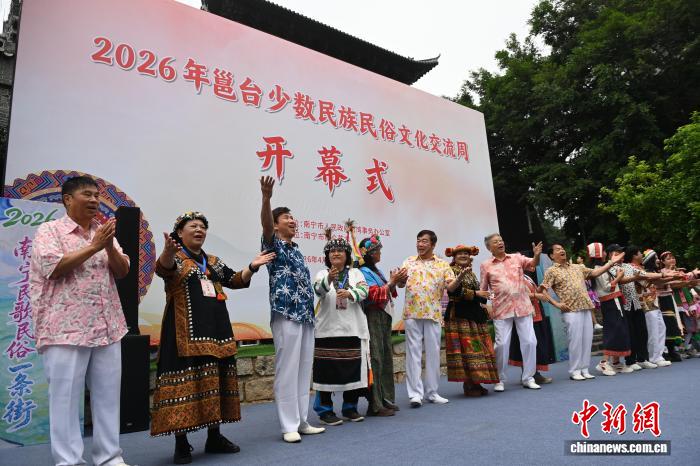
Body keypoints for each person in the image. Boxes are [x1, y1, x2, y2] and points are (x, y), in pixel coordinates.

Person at [150, 212, 275, 464]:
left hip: (217, 334)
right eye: (193, 226)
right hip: (183, 336)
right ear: (179, 233)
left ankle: (214, 437)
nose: (199, 230)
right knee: (182, 390)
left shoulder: (214, 262)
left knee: (215, 383)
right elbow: (163, 268)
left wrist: (252, 266)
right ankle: (181, 443)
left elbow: (235, 280)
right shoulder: (176, 258)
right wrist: (167, 252)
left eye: (203, 227)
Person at [29, 176, 131, 466]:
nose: (94, 200)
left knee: (108, 396)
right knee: (65, 399)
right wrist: (95, 246)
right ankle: (69, 461)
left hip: (108, 326)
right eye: (87, 194)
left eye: (97, 195)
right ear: (67, 199)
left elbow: (122, 270)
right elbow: (53, 267)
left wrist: (108, 246)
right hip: (64, 328)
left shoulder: (103, 232)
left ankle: (109, 457)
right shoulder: (50, 230)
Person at [259, 176, 325, 443]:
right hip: (285, 313)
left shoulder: (297, 250)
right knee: (287, 369)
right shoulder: (272, 244)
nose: (292, 221)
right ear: (276, 224)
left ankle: (301, 420)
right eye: (287, 217)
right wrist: (266, 198)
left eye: (293, 217)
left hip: (306, 316)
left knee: (303, 368)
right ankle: (288, 425)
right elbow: (265, 225)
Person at [311, 231, 369, 425]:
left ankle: (350, 407)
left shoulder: (355, 273)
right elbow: (318, 290)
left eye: (340, 251)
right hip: (327, 330)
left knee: (351, 370)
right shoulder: (322, 273)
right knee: (325, 371)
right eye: (332, 251)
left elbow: (364, 290)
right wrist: (329, 278)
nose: (335, 253)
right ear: (327, 256)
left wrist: (350, 293)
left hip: (352, 328)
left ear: (347, 254)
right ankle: (325, 411)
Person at [400, 230, 464, 407]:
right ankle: (415, 394)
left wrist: (459, 278)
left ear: (433, 245)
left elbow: (450, 288)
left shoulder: (442, 264)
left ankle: (432, 392)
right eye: (418, 240)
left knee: (433, 353)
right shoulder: (408, 261)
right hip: (412, 312)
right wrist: (398, 279)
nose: (420, 244)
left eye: (424, 241)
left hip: (433, 313)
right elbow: (401, 283)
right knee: (413, 354)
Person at [542, 243, 621, 380]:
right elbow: (543, 290)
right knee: (575, 341)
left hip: (585, 307)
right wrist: (557, 304)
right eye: (558, 249)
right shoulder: (551, 271)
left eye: (562, 248)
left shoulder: (577, 267)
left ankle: (584, 369)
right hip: (571, 309)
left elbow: (595, 273)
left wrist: (610, 263)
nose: (562, 250)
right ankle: (575, 370)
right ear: (551, 256)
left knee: (587, 339)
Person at [479, 233, 542, 391]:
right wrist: (490, 302)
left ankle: (528, 378)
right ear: (489, 247)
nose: (500, 243)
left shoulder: (516, 257)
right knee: (501, 344)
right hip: (501, 309)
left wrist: (536, 255)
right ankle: (499, 379)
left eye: (501, 240)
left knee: (530, 341)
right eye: (495, 242)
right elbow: (484, 290)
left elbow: (533, 264)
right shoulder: (486, 265)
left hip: (523, 306)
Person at [356, 233, 406, 416]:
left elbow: (387, 292)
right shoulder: (363, 272)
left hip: (383, 317)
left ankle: (385, 398)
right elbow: (371, 295)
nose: (380, 253)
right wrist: (392, 282)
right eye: (377, 250)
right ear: (369, 253)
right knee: (375, 358)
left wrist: (396, 282)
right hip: (372, 317)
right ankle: (375, 404)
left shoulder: (376, 271)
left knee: (384, 357)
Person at [443, 245, 499, 396]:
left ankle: (476, 382)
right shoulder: (451, 271)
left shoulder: (471, 273)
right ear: (454, 257)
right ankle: (469, 384)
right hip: (459, 316)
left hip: (474, 315)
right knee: (466, 350)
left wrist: (483, 300)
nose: (463, 256)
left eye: (466, 254)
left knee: (477, 348)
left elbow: (477, 294)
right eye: (460, 253)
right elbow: (454, 292)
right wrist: (477, 294)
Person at [614, 245, 676, 371]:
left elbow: (650, 278)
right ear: (634, 256)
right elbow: (646, 279)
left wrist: (669, 276)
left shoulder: (635, 267)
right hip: (642, 304)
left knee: (657, 329)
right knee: (650, 331)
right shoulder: (628, 267)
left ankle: (653, 357)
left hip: (649, 303)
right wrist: (665, 275)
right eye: (639, 253)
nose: (641, 255)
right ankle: (651, 357)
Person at [589, 243, 630, 375]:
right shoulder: (599, 269)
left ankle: (616, 362)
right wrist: (618, 277)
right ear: (599, 254)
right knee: (614, 330)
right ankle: (604, 362)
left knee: (619, 329)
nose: (605, 254)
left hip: (613, 301)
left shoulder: (601, 268)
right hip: (610, 302)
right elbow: (608, 287)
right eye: (603, 252)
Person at [508, 267, 553, 385]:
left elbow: (535, 291)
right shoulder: (512, 278)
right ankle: (529, 374)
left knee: (536, 344)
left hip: (536, 313)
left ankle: (534, 373)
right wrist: (536, 295)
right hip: (524, 315)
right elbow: (516, 295)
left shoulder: (527, 277)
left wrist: (541, 289)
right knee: (527, 344)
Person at [657, 251, 700, 361]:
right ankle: (678, 349)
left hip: (687, 302)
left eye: (673, 257)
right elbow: (673, 285)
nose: (672, 260)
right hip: (674, 302)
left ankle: (688, 348)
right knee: (679, 326)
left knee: (690, 326)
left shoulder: (679, 271)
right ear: (662, 262)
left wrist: (691, 283)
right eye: (668, 258)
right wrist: (688, 280)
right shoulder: (662, 273)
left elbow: (686, 283)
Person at [640, 250, 672, 367]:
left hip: (655, 304)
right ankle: (654, 357)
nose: (658, 260)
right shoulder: (644, 272)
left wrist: (672, 277)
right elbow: (655, 280)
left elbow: (659, 282)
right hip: (647, 305)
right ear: (650, 260)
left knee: (661, 328)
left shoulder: (653, 272)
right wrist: (670, 276)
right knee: (653, 331)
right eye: (656, 258)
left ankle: (659, 356)